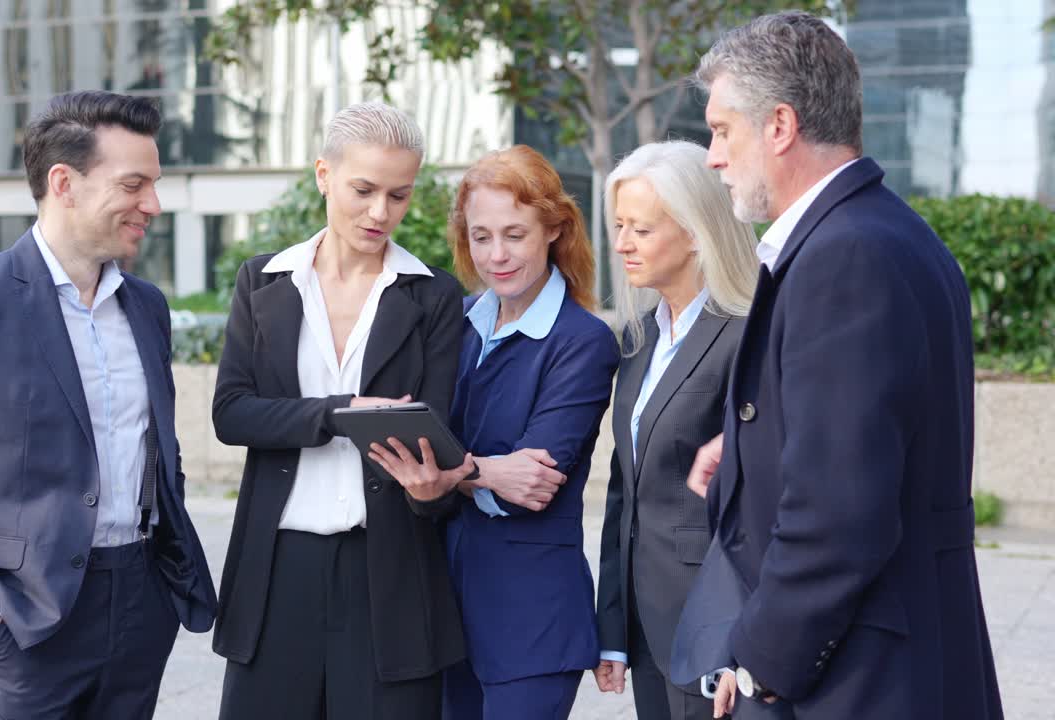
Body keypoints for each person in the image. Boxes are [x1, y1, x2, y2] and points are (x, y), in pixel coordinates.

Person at [676, 11, 1004, 719]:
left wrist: (761, 657)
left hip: (862, 682)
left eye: (722, 129)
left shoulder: (845, 256)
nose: (712, 155)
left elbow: (842, 512)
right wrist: (747, 450)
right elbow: (869, 441)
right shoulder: (885, 233)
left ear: (781, 126)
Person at [0, 90, 217, 719]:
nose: (153, 205)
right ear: (65, 183)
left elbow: (155, 452)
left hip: (140, 606)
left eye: (154, 184)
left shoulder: (147, 307)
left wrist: (160, 589)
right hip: (22, 625)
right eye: (134, 184)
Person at [210, 101, 468, 720]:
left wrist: (432, 489)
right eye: (363, 189)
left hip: (389, 572)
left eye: (399, 195)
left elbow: (438, 434)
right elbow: (231, 412)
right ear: (324, 175)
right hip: (277, 569)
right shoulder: (264, 281)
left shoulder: (433, 296)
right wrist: (337, 412)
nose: (381, 212)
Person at [369, 144, 620, 720]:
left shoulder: (581, 341)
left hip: (530, 618)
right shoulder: (454, 324)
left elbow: (531, 484)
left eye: (515, 234)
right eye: (481, 236)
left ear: (554, 230)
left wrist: (453, 472)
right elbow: (410, 449)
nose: (497, 255)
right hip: (441, 609)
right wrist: (485, 471)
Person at [591, 141, 758, 720]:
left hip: (714, 630)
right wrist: (613, 627)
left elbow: (760, 503)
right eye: (618, 225)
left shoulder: (746, 336)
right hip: (647, 626)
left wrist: (746, 646)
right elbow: (624, 492)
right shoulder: (639, 339)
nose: (621, 244)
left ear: (694, 232)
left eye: (640, 228)